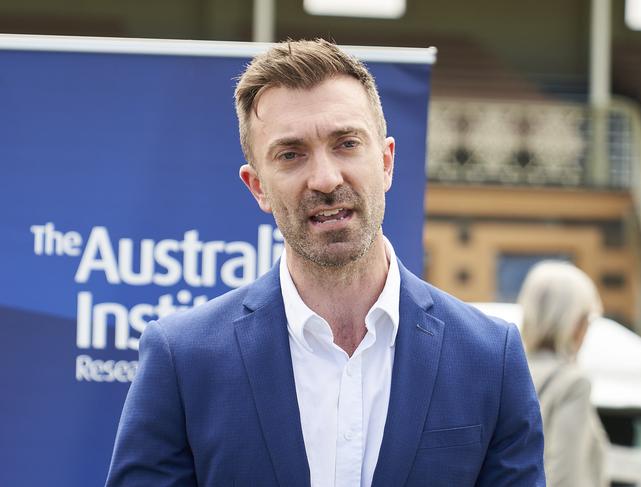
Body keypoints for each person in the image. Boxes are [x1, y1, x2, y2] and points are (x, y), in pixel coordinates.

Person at [106, 39, 544, 486]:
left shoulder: (490, 358)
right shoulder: (183, 360)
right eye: (291, 154)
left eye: (346, 143)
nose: (326, 178)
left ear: (387, 161)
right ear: (257, 186)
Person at [518, 260, 608, 487]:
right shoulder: (572, 383)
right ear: (573, 320)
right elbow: (565, 477)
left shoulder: (510, 371)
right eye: (587, 319)